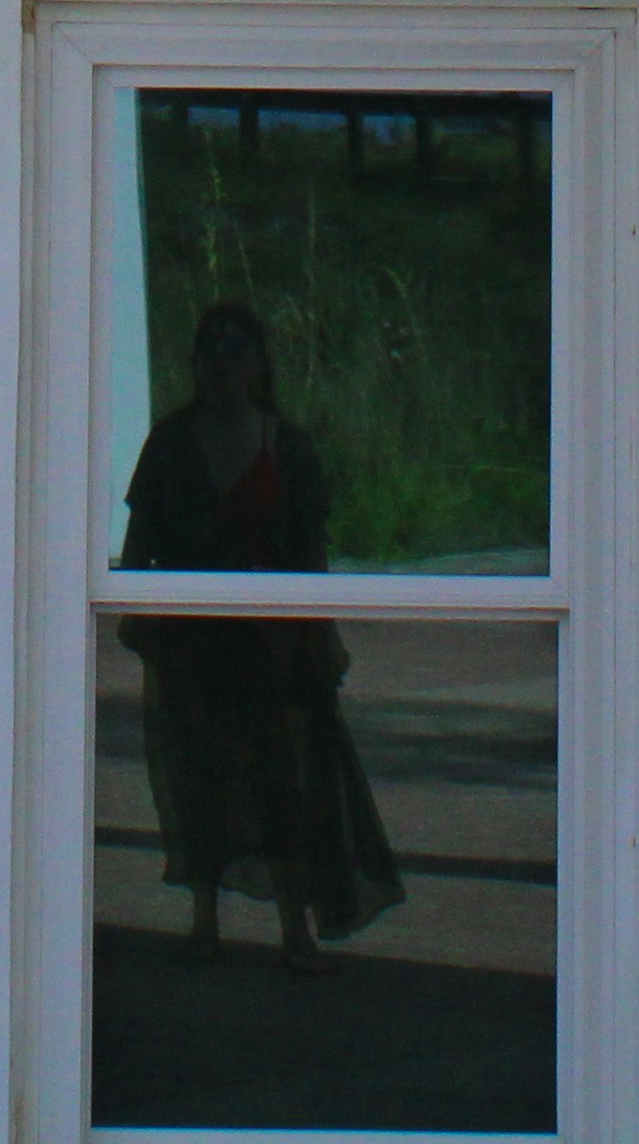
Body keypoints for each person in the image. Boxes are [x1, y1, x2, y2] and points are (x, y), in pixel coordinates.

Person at [116, 302, 407, 962]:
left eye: (236, 353)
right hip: (192, 639)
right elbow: (140, 539)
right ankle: (204, 919)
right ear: (195, 366)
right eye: (211, 355)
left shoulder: (288, 445)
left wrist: (320, 633)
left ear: (259, 365)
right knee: (198, 775)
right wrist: (137, 606)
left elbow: (310, 553)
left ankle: (293, 927)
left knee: (286, 779)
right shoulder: (169, 442)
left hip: (273, 643)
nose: (223, 366)